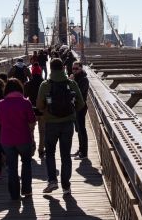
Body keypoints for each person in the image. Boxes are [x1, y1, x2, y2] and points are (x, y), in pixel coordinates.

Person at [36, 58, 85, 195]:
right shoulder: (71, 83)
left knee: (50, 153)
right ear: (63, 67)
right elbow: (81, 104)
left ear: (50, 68)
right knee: (65, 156)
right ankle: (66, 186)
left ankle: (52, 181)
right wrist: (71, 111)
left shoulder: (45, 85)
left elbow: (39, 105)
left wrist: (48, 111)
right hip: (67, 124)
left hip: (50, 124)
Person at [0, 78, 36, 200]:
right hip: (23, 138)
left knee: (12, 167)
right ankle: (27, 190)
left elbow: (0, 121)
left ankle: (14, 194)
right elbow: (32, 120)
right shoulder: (25, 102)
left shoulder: (0, 103)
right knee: (26, 163)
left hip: (7, 139)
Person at [69, 61, 90, 160]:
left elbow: (79, 94)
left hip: (81, 107)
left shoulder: (84, 79)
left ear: (81, 68)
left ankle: (84, 153)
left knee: (82, 130)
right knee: (78, 130)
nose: (74, 70)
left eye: (76, 68)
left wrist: (72, 82)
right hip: (75, 107)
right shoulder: (76, 78)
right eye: (73, 68)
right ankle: (80, 150)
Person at [24, 63, 45, 158]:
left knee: (30, 131)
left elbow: (24, 96)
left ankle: (32, 149)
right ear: (40, 73)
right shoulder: (45, 83)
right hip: (43, 111)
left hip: (31, 110)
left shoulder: (28, 84)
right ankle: (41, 150)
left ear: (32, 73)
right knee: (43, 132)